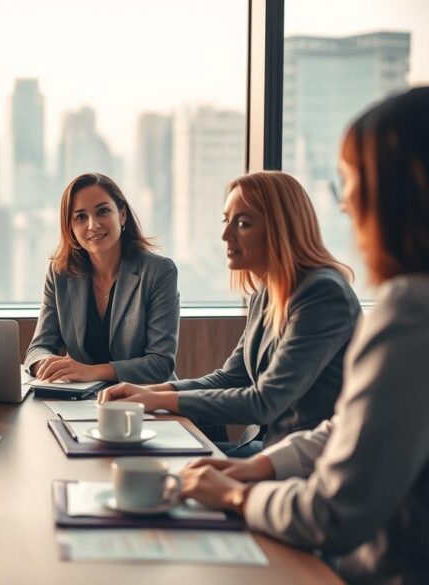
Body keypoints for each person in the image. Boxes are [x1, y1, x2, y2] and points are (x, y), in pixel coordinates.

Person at [177, 87, 429, 584]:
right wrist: (259, 468)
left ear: (396, 193)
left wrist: (238, 494)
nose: (346, 203)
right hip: (291, 466)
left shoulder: (404, 313)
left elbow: (332, 513)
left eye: (352, 181)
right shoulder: (268, 291)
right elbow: (351, 426)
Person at [100, 171, 361, 453]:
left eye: (243, 223)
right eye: (227, 221)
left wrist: (156, 401)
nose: (226, 235)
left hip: (308, 461)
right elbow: (229, 378)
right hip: (271, 447)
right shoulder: (266, 291)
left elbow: (265, 403)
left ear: (280, 229)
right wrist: (148, 392)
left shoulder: (322, 294)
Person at [24, 172, 180, 384]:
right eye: (81, 217)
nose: (93, 225)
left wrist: (91, 372)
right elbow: (38, 348)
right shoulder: (61, 273)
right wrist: (48, 364)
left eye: (103, 211)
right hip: (80, 399)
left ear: (122, 214)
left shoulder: (158, 271)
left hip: (146, 399)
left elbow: (161, 363)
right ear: (70, 227)